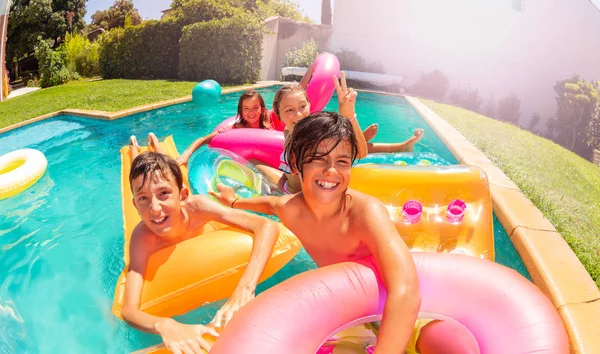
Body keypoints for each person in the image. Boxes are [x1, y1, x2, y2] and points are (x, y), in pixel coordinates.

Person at [209, 113, 478, 354]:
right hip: (349, 315)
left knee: (448, 339)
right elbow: (270, 204)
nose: (331, 171)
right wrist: (234, 202)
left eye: (342, 161)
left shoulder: (364, 213)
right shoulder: (292, 210)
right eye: (318, 159)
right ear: (294, 162)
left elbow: (406, 290)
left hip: (406, 312)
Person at [122, 136, 281, 354]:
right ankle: (133, 147)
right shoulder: (142, 238)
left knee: (163, 167)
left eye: (164, 194)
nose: (155, 209)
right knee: (138, 162)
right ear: (135, 205)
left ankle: (154, 142)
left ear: (183, 196)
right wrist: (165, 324)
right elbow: (129, 310)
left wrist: (245, 287)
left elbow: (267, 226)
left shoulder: (199, 208)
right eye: (143, 199)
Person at [176, 90, 277, 166]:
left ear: (262, 109)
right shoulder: (235, 128)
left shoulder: (268, 119)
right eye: (246, 108)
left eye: (255, 108)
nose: (251, 112)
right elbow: (204, 139)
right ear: (241, 111)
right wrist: (186, 154)